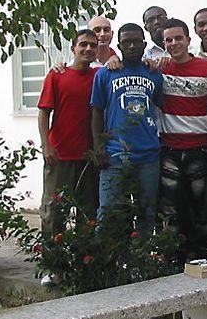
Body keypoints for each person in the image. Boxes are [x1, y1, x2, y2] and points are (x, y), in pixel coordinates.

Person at [90, 23, 164, 237]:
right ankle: (106, 264)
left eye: (136, 41)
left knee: (146, 213)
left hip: (148, 155)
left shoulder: (154, 74)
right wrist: (99, 147)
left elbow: (157, 107)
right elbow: (96, 112)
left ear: (144, 43)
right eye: (126, 42)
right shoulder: (105, 74)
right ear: (119, 45)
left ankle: (141, 265)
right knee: (109, 212)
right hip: (114, 154)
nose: (132, 46)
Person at [158, 18, 207, 260]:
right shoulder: (158, 69)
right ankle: (175, 257)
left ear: (189, 40)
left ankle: (203, 254)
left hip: (200, 147)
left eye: (178, 38)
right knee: (171, 207)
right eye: (168, 40)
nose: (173, 43)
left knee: (202, 205)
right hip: (169, 148)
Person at [37, 29, 100, 239]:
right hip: (59, 156)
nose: (88, 49)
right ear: (73, 48)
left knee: (88, 213)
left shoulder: (99, 76)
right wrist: (46, 146)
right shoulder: (57, 75)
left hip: (88, 158)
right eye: (83, 44)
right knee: (54, 213)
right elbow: (44, 112)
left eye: (93, 45)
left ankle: (85, 266)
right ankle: (52, 266)